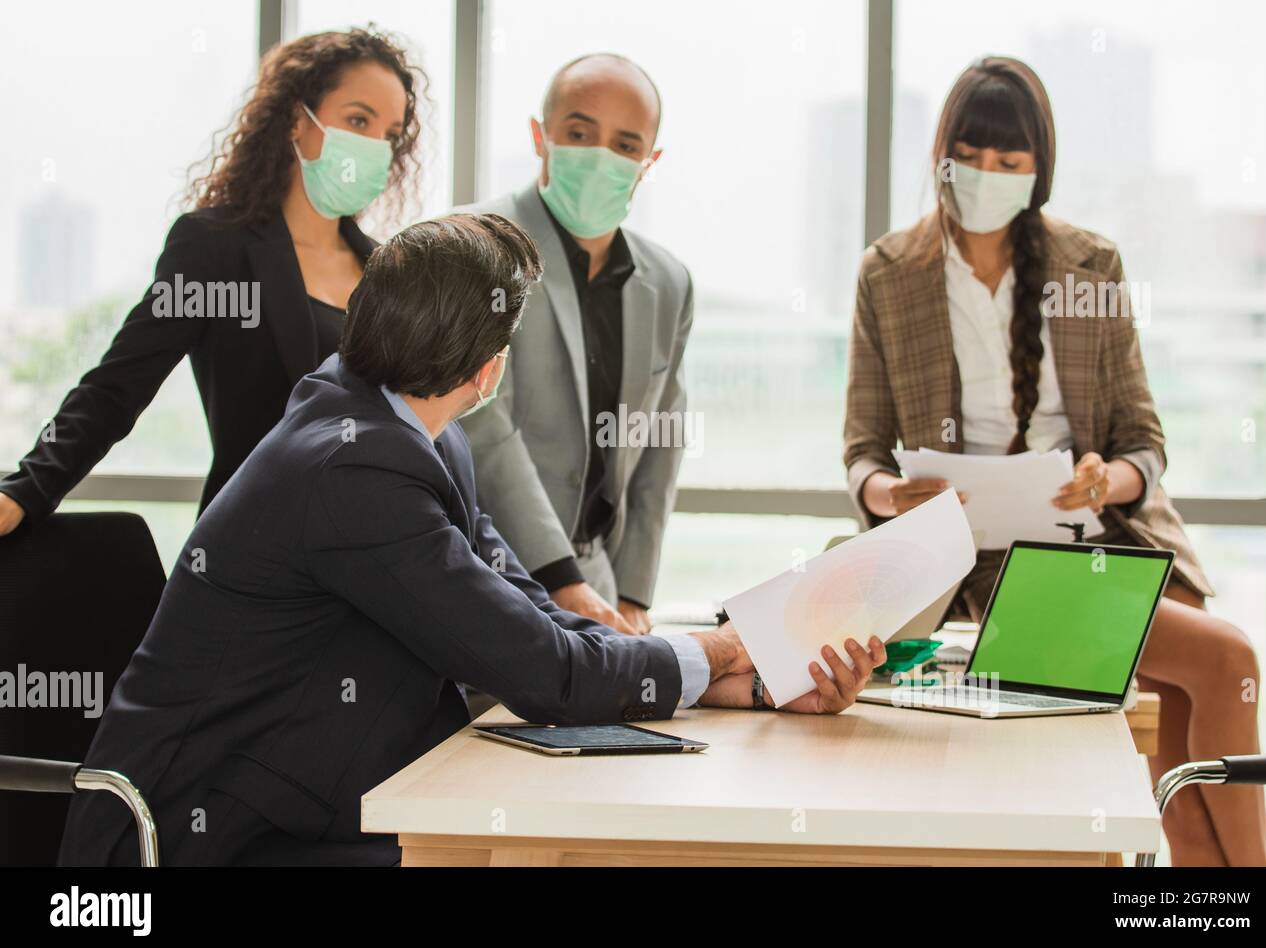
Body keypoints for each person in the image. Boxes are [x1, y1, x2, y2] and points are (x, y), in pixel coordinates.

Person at [60, 214, 884, 866]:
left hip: (313, 795)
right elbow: (544, 673)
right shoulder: (356, 471)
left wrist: (746, 681)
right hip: (207, 837)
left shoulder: (411, 430)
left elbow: (529, 616)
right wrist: (723, 650)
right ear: (488, 368)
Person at [842, 57, 1266, 866]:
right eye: (971, 156)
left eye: (1010, 162)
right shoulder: (888, 275)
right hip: (995, 568)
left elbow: (1145, 440)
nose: (987, 175)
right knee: (1227, 661)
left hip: (1114, 543)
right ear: (942, 156)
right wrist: (894, 493)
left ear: (1039, 171)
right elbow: (862, 448)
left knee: (1185, 772)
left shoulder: (1091, 264)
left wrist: (1109, 478)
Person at [0, 28, 425, 535]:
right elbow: (118, 386)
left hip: (377, 550)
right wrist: (26, 488)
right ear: (297, 118)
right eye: (358, 120)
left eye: (390, 134)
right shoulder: (217, 249)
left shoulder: (387, 272)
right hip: (259, 552)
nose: (376, 148)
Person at [461, 53, 691, 635]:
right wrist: (559, 578)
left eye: (625, 144)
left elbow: (662, 438)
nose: (600, 156)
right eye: (580, 133)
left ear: (650, 161)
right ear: (541, 136)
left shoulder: (668, 282)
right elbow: (485, 419)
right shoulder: (471, 243)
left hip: (600, 588)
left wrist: (634, 592)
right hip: (479, 572)